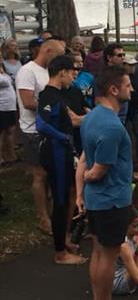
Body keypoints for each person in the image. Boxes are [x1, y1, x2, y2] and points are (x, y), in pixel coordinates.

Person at [76, 65, 138, 300]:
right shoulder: (111, 126)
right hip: (111, 199)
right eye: (127, 85)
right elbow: (97, 169)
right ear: (113, 89)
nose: (132, 89)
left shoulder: (90, 118)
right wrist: (88, 178)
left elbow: (83, 159)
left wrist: (81, 190)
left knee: (99, 253)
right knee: (108, 256)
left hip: (98, 199)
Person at [36, 54, 86, 264]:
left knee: (65, 198)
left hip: (63, 151)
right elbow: (41, 124)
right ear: (62, 72)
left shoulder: (58, 95)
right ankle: (60, 253)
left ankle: (63, 239)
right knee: (60, 200)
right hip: (56, 152)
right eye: (71, 72)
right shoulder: (49, 95)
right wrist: (63, 137)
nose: (74, 77)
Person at [17, 38, 66, 233]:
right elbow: (28, 101)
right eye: (57, 56)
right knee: (40, 173)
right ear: (46, 51)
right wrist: (54, 107)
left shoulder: (48, 71)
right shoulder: (27, 72)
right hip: (32, 130)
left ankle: (55, 212)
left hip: (51, 128)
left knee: (52, 172)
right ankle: (42, 216)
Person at [0, 60, 17, 167]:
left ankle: (10, 155)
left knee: (10, 131)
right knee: (1, 132)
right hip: (1, 106)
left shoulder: (4, 70)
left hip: (10, 106)